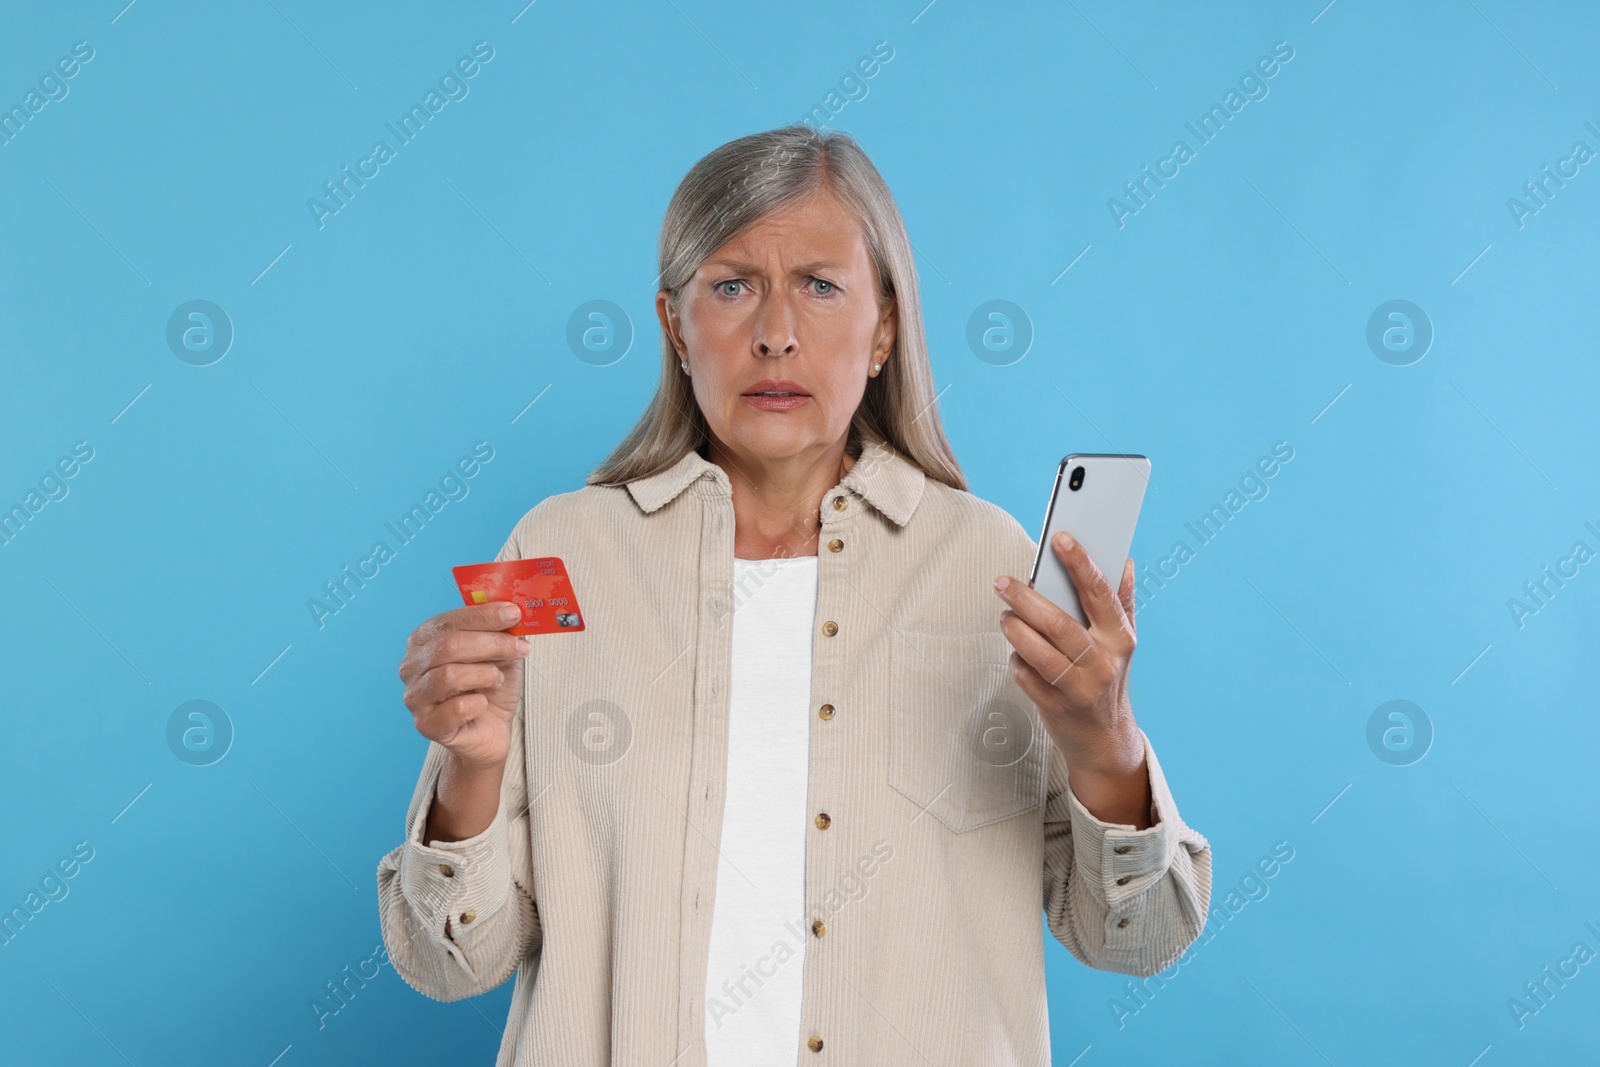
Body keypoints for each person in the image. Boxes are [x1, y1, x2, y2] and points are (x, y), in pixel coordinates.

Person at [379, 124, 1212, 1066]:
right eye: (732, 286)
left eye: (820, 286)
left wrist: (1108, 748)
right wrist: (472, 770)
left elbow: (1137, 938)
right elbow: (449, 964)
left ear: (885, 327)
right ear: (673, 327)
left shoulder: (991, 569)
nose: (776, 331)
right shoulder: (559, 552)